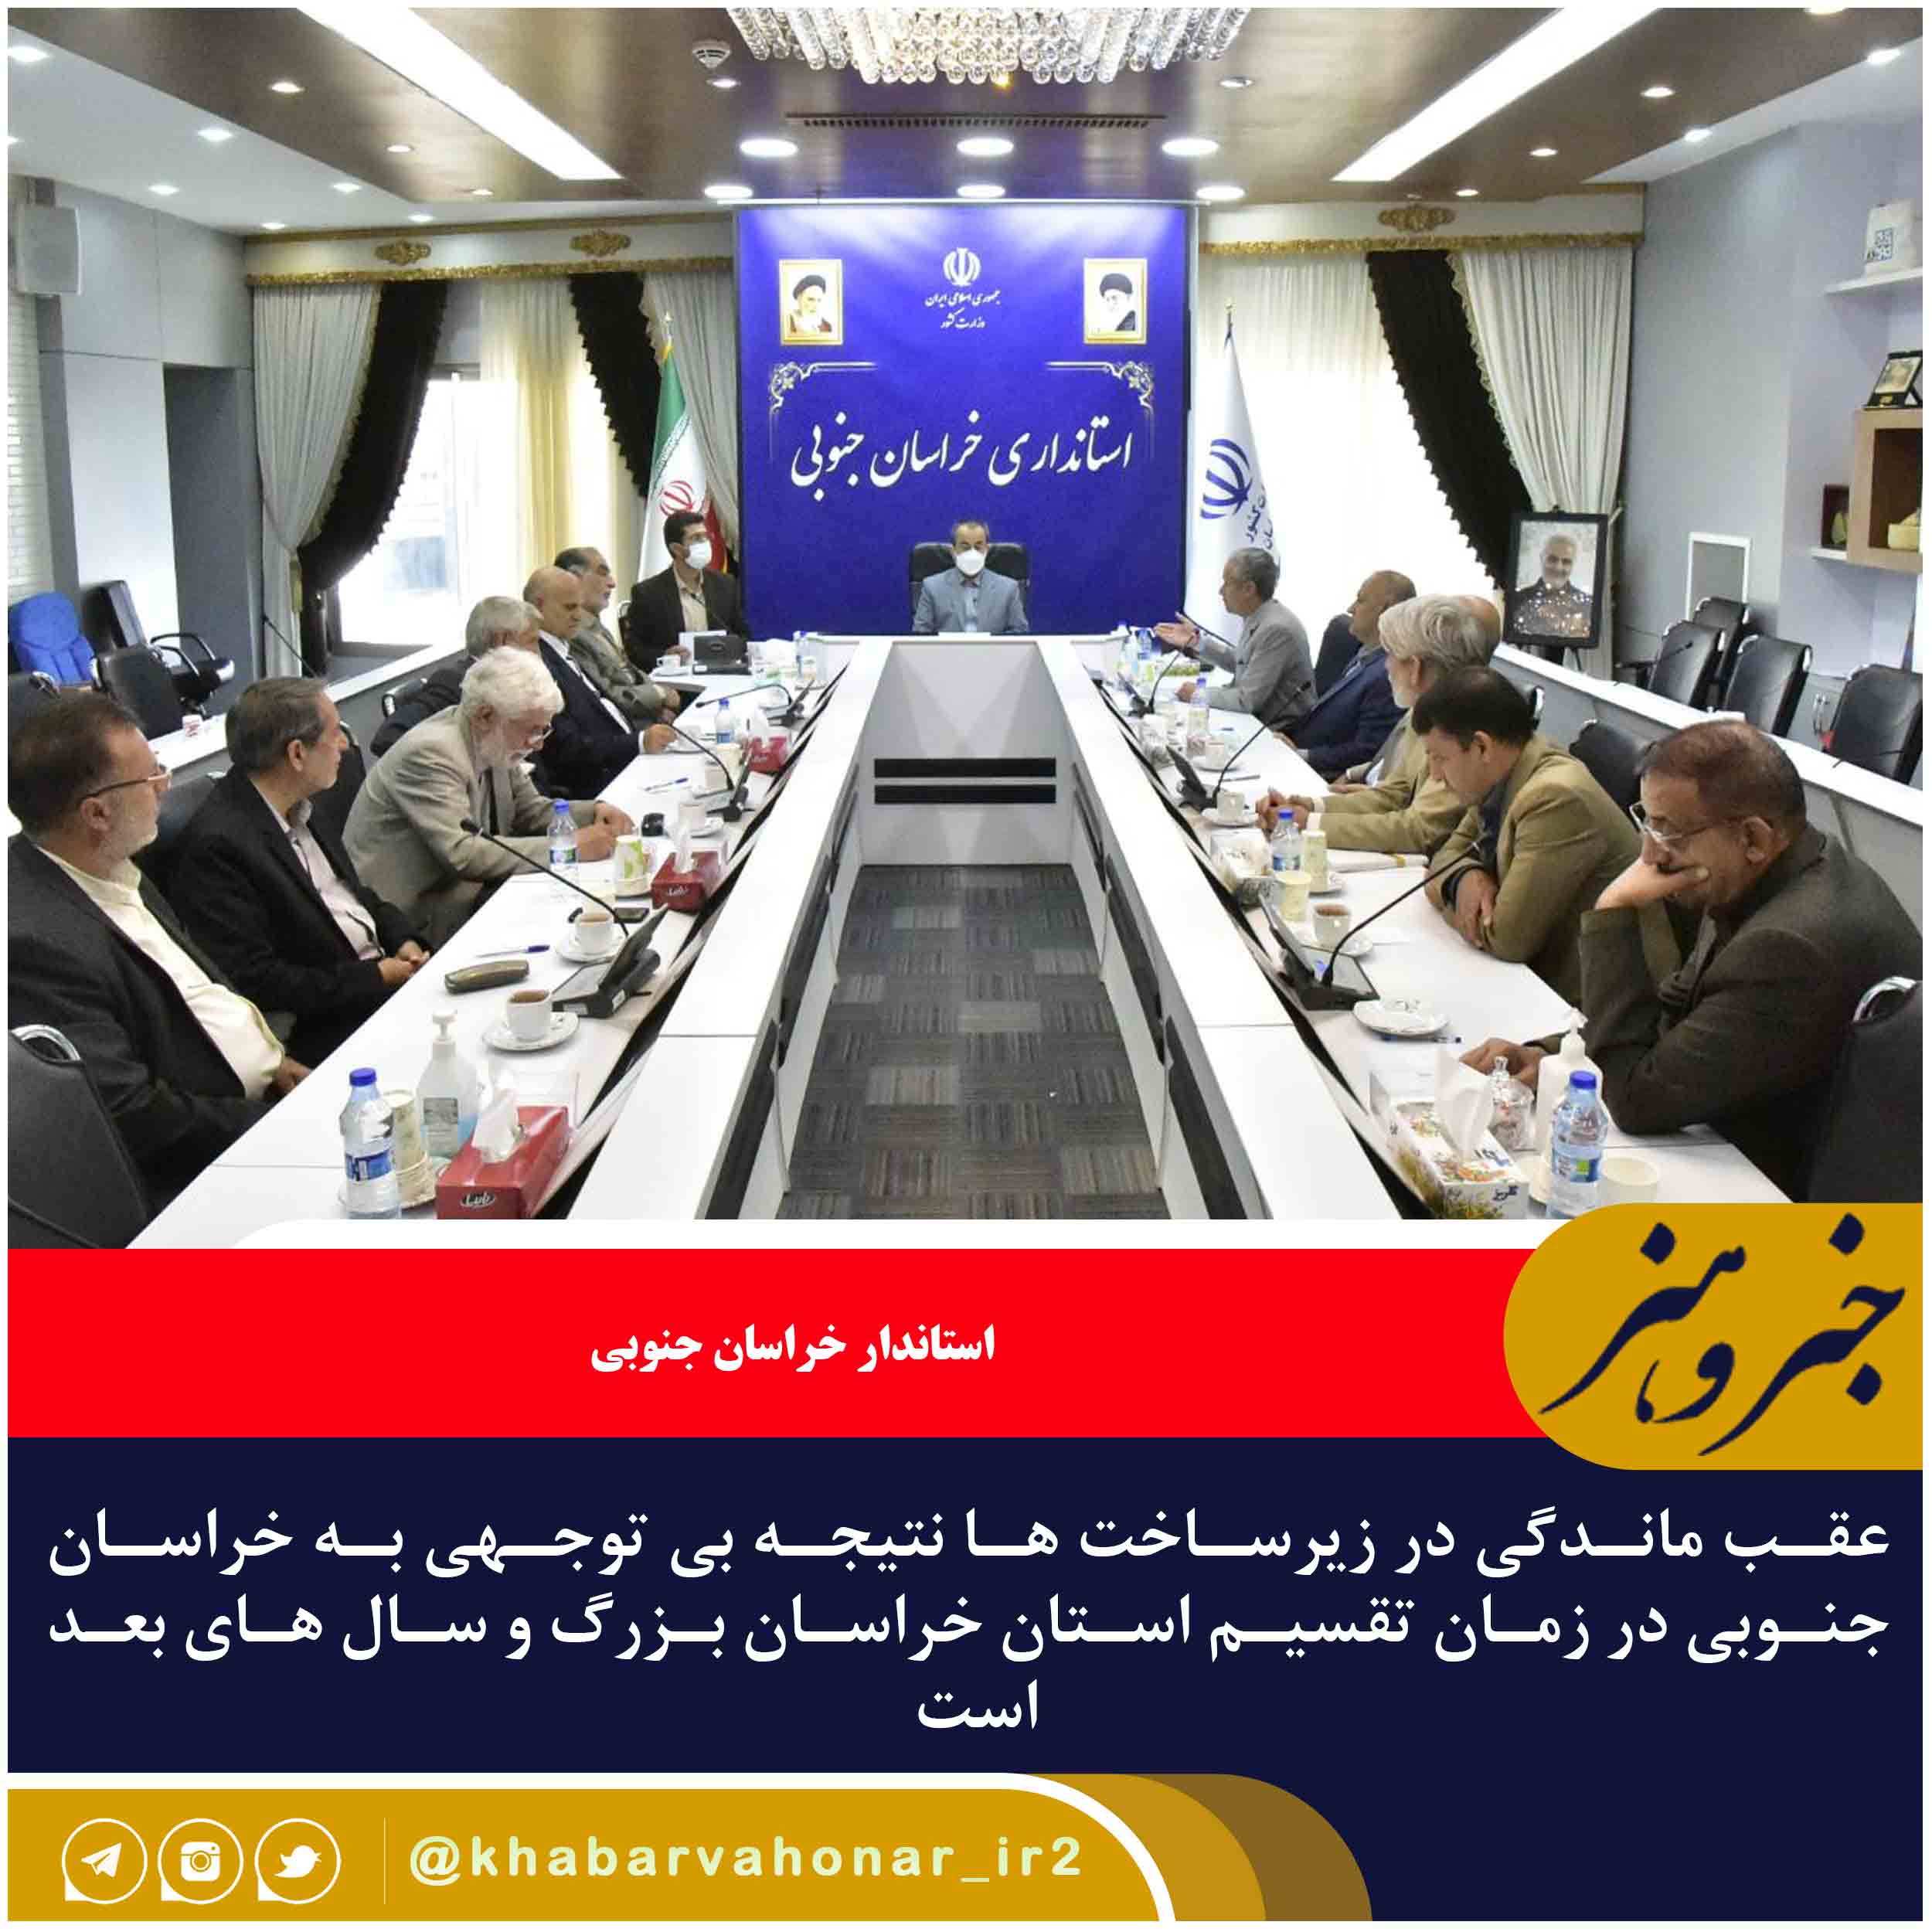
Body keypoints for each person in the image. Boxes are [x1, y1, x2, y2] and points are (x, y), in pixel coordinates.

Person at [1462, 722, 1920, 1199]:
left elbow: (1636, 1100)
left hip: (1781, 1195)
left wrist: (1613, 911)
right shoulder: (1765, 870)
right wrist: (1558, 1056)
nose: (1649, 855)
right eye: (1648, 823)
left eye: (1669, 831)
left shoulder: (1789, 946)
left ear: (1753, 837)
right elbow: (1680, 1019)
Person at [7, 692, 308, 1212]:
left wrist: (272, 1061)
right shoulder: (35, 941)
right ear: (97, 813)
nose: (165, 787)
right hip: (201, 1169)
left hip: (263, 1093)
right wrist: (279, 1124)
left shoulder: (113, 861)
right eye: (151, 777)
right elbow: (132, 1113)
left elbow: (197, 990)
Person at [173, 680, 428, 1066]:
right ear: (297, 753)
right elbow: (258, 979)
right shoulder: (218, 846)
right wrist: (376, 977)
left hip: (380, 985)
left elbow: (356, 895)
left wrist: (403, 939)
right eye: (335, 733)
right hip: (328, 1025)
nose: (344, 745)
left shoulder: (302, 806)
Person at [345, 648, 631, 947]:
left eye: (543, 730)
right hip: (414, 919)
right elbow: (462, 854)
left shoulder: (492, 736)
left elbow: (530, 811)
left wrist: (595, 812)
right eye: (532, 730)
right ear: (485, 715)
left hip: (466, 892)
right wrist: (567, 850)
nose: (538, 745)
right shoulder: (431, 753)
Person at [1414, 665, 1638, 1005]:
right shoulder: (1504, 773)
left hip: (1582, 1004)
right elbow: (1446, 857)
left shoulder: (1554, 797)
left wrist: (1448, 891)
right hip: (1532, 980)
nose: (1435, 775)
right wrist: (1463, 877)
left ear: (1481, 747)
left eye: (1440, 758)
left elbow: (1505, 938)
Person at [1260, 594, 1496, 855]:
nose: (1386, 666)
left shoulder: (1463, 728)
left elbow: (1419, 830)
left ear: (1415, 668)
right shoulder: (1424, 707)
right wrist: (1307, 808)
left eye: (1390, 655)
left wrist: (1307, 823)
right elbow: (1393, 795)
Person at [524, 565, 672, 798]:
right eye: (569, 607)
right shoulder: (537, 663)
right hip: (601, 783)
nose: (578, 615)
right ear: (539, 606)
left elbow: (607, 702)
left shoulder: (564, 646)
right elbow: (567, 748)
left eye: (579, 606)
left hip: (627, 758)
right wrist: (639, 742)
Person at [1277, 570, 1413, 778]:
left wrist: (1302, 755)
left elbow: (1367, 750)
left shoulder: (1388, 673)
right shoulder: (1364, 652)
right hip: (1296, 753)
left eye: (1360, 600)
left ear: (1385, 610)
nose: (1350, 609)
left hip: (1322, 776)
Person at [1156, 548, 1313, 730]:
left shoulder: (1277, 629)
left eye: (1227, 583)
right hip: (1256, 721)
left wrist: (1199, 694)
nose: (1221, 591)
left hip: (1280, 731)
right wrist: (1197, 642)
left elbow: (1246, 701)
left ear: (1249, 589)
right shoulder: (1259, 616)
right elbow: (1241, 662)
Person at [371, 594, 540, 760]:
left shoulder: (511, 682)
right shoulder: (455, 683)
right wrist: (456, 767)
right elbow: (389, 735)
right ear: (503, 641)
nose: (538, 652)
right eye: (532, 641)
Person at [555, 544, 681, 728]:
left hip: (647, 716)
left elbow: (629, 671)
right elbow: (607, 695)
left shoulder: (596, 626)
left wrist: (659, 703)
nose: (612, 583)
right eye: (602, 573)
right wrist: (660, 694)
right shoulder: (572, 635)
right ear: (574, 578)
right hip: (626, 729)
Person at [627, 510, 747, 671]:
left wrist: (732, 649)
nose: (705, 543)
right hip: (675, 681)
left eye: (706, 536)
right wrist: (665, 656)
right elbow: (635, 650)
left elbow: (743, 635)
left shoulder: (726, 584)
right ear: (677, 549)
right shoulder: (648, 593)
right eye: (696, 538)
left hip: (720, 674)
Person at [912, 519, 1029, 635]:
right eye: (965, 547)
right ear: (953, 552)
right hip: (948, 648)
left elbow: (1019, 634)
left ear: (986, 550)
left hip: (991, 648)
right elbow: (921, 635)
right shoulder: (932, 587)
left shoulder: (1008, 588)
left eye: (978, 547)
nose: (972, 553)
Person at [1514, 532, 1593, 642]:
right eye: (1552, 559)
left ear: (1573, 565)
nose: (1558, 568)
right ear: (1542, 559)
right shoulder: (1517, 600)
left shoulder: (1588, 606)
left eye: (1566, 562)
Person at [786, 271, 835, 338]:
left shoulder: (826, 326)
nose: (816, 306)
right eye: (811, 299)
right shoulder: (788, 323)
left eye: (819, 300)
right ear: (799, 298)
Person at [1094, 270, 1138, 335]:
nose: (1110, 304)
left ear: (1128, 297)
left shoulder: (1135, 324)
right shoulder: (1110, 324)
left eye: (1114, 298)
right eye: (1107, 300)